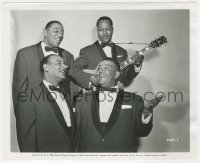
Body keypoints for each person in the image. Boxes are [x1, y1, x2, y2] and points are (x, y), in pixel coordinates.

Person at [75, 58, 162, 152]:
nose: (100, 70)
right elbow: (72, 133)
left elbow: (143, 132)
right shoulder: (82, 99)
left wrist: (146, 111)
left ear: (116, 74)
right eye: (99, 68)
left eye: (106, 68)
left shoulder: (135, 100)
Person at [12, 20, 75, 116]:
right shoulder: (25, 54)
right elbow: (19, 91)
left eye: (62, 32)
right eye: (56, 31)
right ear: (45, 32)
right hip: (35, 114)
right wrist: (22, 119)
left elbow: (69, 88)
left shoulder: (68, 56)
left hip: (63, 115)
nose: (60, 35)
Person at [16, 54, 76, 152]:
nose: (65, 67)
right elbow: (26, 142)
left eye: (64, 64)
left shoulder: (66, 95)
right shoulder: (28, 97)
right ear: (46, 67)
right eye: (58, 64)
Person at [69, 16, 144, 90]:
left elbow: (127, 75)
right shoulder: (87, 51)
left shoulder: (122, 51)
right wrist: (92, 78)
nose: (105, 33)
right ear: (97, 31)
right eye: (101, 30)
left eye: (108, 29)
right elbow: (73, 70)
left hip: (117, 96)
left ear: (112, 30)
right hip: (95, 97)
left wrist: (137, 65)